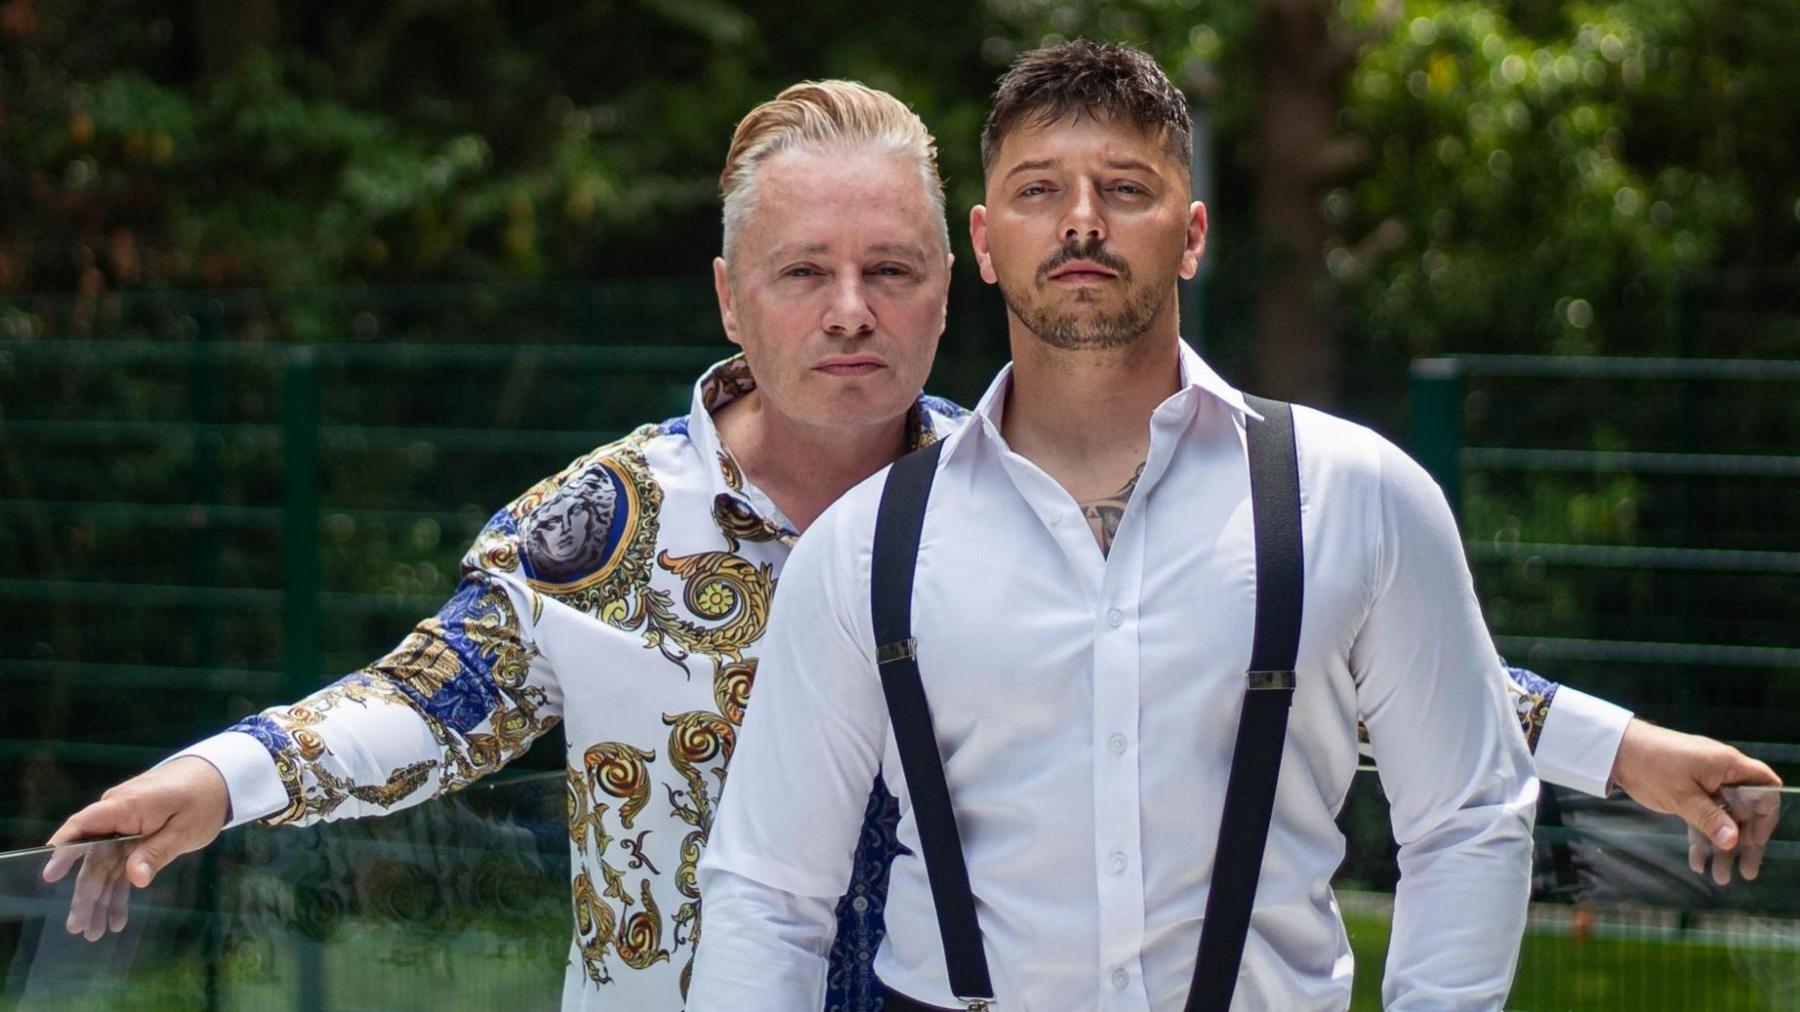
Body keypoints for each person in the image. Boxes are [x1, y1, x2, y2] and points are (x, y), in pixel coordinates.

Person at [43, 76, 1778, 1012]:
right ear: (731, 293)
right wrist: (215, 782)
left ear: (957, 284)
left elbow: (1346, 651)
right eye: (806, 274)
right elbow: (427, 696)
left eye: (893, 274)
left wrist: (1628, 751)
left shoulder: (1039, 486)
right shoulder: (606, 527)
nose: (854, 313)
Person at [684, 44, 1779, 1012]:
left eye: (1126, 187)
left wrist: (1612, 747)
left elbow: (1469, 811)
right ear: (984, 239)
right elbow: (770, 891)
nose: (1081, 219)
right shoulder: (870, 546)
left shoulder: (1358, 496)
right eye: (1037, 191)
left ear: (1193, 233)